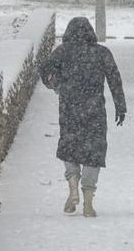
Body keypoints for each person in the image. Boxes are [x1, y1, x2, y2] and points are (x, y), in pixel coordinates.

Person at [39, 17, 126, 217]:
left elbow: (44, 69)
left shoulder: (63, 52)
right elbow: (115, 79)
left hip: (70, 109)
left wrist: (56, 85)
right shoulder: (102, 53)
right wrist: (121, 107)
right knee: (93, 153)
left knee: (70, 148)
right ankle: (88, 201)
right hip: (94, 110)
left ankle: (72, 188)